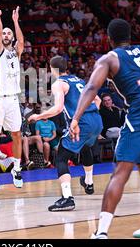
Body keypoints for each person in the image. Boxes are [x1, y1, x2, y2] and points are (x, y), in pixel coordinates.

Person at [69, 18, 140, 239]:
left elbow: (92, 87)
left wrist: (75, 118)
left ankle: (101, 232)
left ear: (109, 39)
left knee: (120, 171)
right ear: (130, 36)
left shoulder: (109, 59)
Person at [28, 56, 102, 211]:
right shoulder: (79, 80)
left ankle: (67, 198)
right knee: (85, 147)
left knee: (61, 156)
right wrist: (91, 117)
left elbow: (58, 109)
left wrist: (38, 116)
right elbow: (98, 100)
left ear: (52, 69)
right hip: (97, 120)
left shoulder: (59, 84)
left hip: (82, 122)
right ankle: (88, 183)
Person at [0, 7, 24, 190]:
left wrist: (16, 22)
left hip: (13, 99)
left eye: (10, 33)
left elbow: (22, 42)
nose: (6, 35)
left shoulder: (16, 52)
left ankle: (16, 169)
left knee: (17, 135)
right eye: (5, 33)